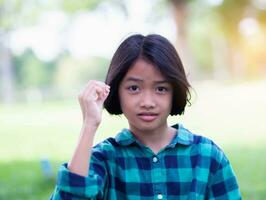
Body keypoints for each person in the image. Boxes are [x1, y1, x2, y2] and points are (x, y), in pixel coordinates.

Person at [50, 34, 241, 200]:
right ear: (116, 90)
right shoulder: (103, 159)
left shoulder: (207, 155)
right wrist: (89, 124)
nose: (147, 102)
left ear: (175, 92)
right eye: (134, 88)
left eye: (161, 89)